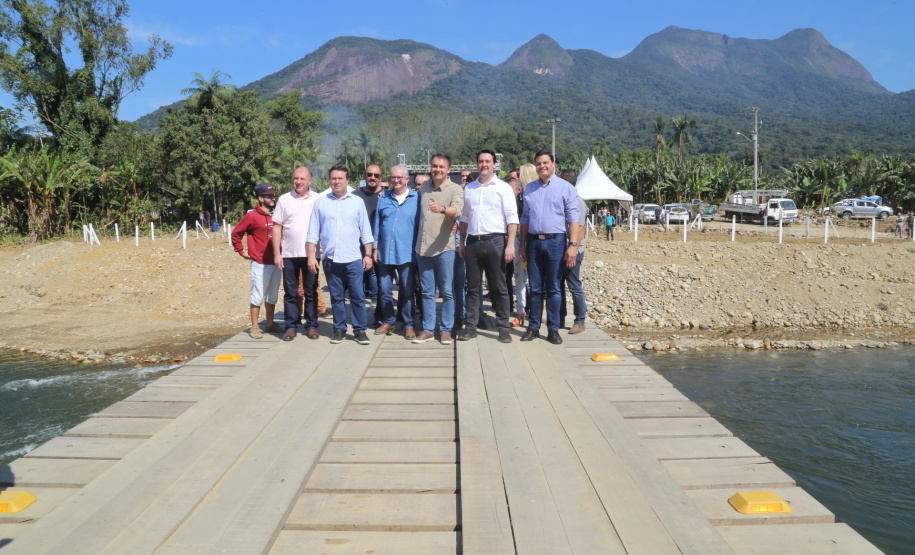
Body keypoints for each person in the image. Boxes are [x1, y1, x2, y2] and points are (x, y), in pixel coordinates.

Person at [307, 165, 375, 345]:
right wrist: (311, 256)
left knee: (357, 296)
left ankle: (360, 330)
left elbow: (366, 232)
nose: (336, 182)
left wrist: (368, 254)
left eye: (340, 178)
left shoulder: (356, 202)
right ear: (330, 181)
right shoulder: (321, 202)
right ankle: (339, 329)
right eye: (333, 178)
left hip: (353, 258)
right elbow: (313, 233)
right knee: (336, 297)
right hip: (331, 258)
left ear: (347, 181)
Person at [518, 151, 580, 345]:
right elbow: (525, 218)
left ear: (554, 163)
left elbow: (573, 219)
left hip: (556, 242)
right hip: (534, 242)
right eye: (538, 163)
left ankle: (553, 329)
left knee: (553, 288)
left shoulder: (565, 188)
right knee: (535, 288)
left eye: (545, 162)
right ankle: (533, 327)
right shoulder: (529, 188)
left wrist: (573, 245)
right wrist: (522, 244)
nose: (542, 166)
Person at [457, 149, 518, 343]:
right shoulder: (470, 188)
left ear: (494, 164)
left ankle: (503, 327)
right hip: (474, 242)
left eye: (488, 161)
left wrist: (510, 245)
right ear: (477, 164)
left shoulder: (503, 188)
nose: (484, 164)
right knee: (473, 288)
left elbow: (512, 218)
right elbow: (465, 217)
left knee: (499, 286)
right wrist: (462, 241)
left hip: (496, 241)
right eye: (481, 161)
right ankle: (471, 326)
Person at [415, 153, 464, 345]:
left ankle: (445, 330)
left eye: (441, 167)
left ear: (448, 170)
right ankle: (428, 329)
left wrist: (443, 208)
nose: (437, 170)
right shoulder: (425, 186)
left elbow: (458, 211)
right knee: (427, 291)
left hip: (444, 248)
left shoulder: (455, 189)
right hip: (423, 248)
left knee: (447, 291)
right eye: (434, 166)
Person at [271, 166, 320, 341]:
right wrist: (277, 253)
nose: (298, 182)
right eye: (295, 179)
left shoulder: (318, 199)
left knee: (311, 291)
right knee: (291, 292)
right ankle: (291, 326)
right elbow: (277, 227)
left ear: (309, 181)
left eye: (302, 179)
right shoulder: (284, 200)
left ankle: (312, 325)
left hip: (311, 255)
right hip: (289, 255)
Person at [373, 164, 420, 338]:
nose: (396, 180)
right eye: (393, 177)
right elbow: (377, 224)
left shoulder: (417, 198)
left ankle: (408, 324)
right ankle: (388, 321)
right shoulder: (384, 197)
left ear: (407, 179)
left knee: (407, 290)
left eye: (400, 177)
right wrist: (375, 248)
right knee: (384, 289)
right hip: (385, 252)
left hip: (407, 253)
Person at [231, 182, 282, 339]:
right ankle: (254, 327)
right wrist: (240, 250)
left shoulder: (277, 214)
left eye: (273, 195)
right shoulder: (251, 216)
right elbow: (236, 233)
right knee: (258, 295)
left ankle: (270, 323)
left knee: (272, 295)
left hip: (276, 262)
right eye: (269, 196)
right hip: (260, 263)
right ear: (260, 198)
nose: (273, 198)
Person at [558, 168, 588, 335]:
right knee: (558, 285)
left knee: (574, 285)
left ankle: (580, 321)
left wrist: (573, 250)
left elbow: (580, 229)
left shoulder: (577, 202)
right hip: (560, 248)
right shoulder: (566, 198)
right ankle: (560, 317)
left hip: (573, 250)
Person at [353, 164, 384, 324]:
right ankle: (359, 320)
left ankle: (380, 317)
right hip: (357, 248)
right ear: (364, 175)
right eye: (369, 174)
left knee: (381, 286)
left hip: (380, 247)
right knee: (356, 286)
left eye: (376, 175)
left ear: (381, 177)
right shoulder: (354, 196)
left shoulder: (386, 196)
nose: (372, 177)